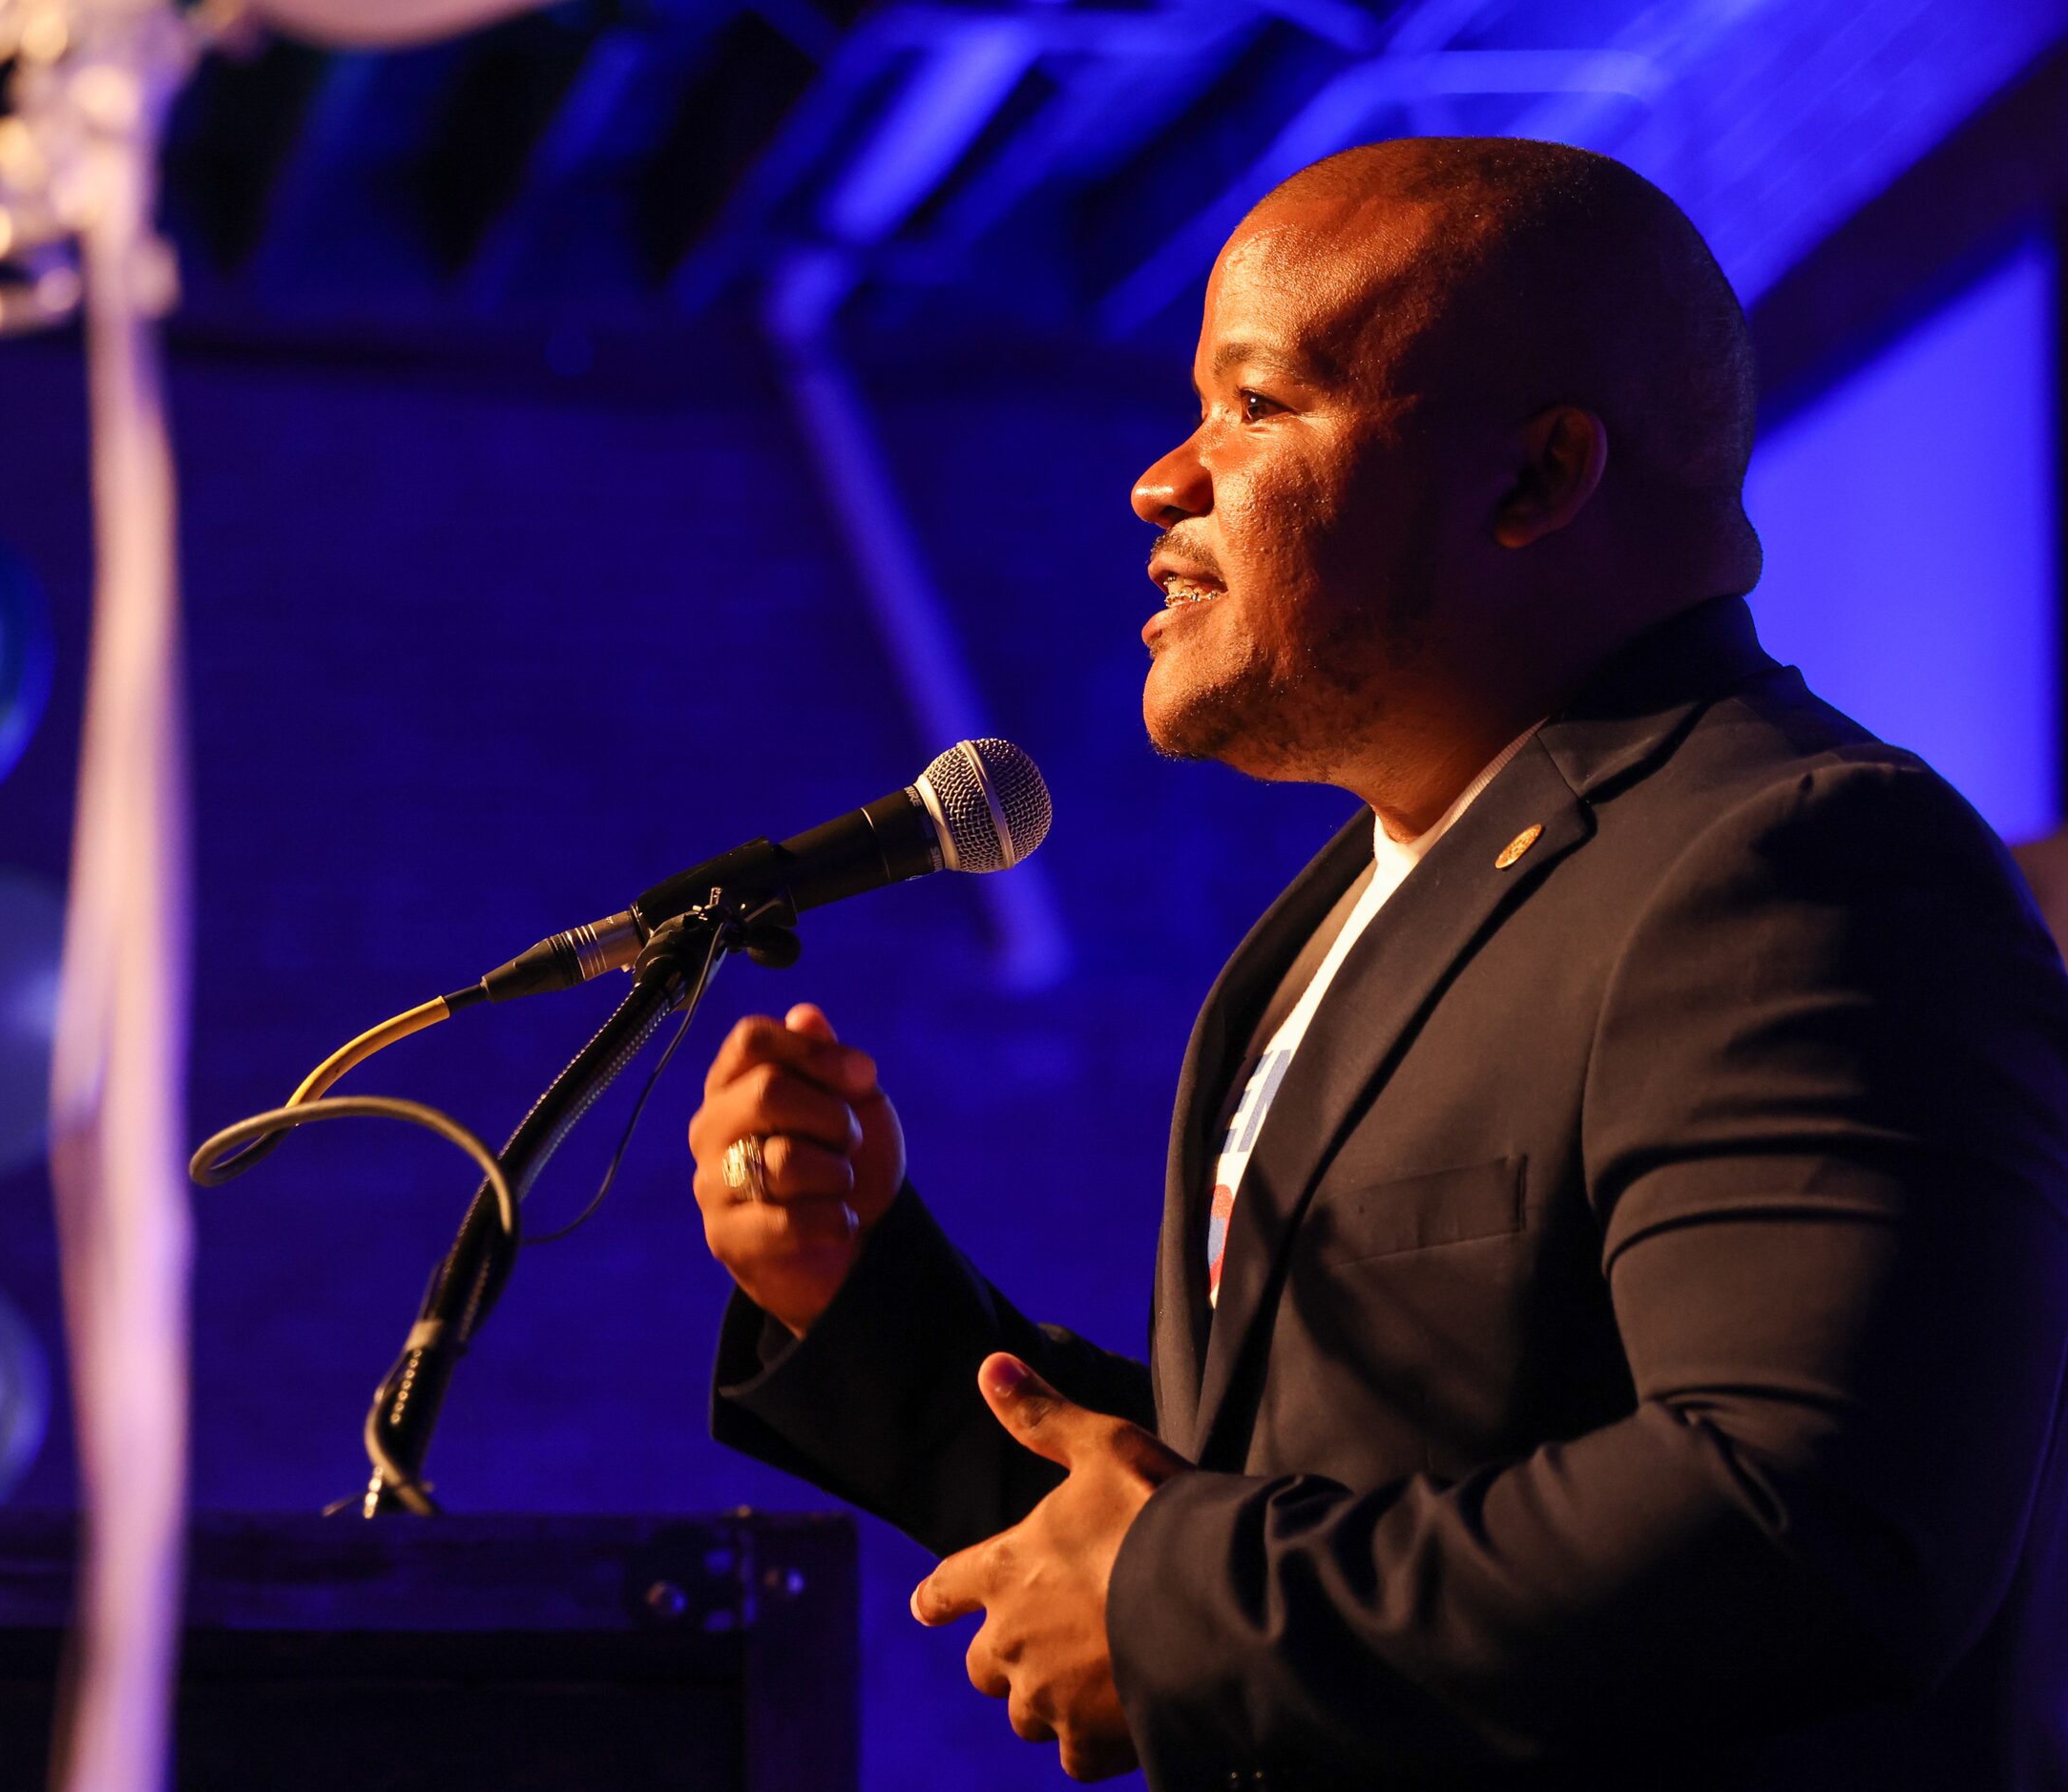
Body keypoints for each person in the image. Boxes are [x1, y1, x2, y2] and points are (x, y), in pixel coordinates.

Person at [686, 136, 2068, 1789]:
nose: (1160, 481)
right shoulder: (1346, 908)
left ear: (1535, 478)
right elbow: (1272, 1495)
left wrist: (1184, 1603)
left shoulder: (1792, 863)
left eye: (1257, 406)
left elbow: (1808, 1523)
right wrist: (862, 1304)